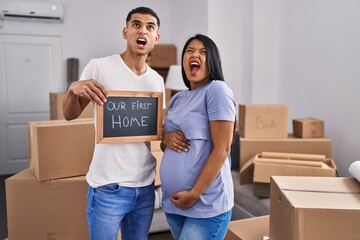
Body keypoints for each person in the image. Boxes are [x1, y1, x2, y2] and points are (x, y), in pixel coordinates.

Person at [63, 6, 165, 240]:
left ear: (156, 38)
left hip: (145, 186)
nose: (143, 31)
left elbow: (158, 128)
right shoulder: (99, 67)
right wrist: (72, 89)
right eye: (136, 24)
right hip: (108, 187)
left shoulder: (156, 81)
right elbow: (70, 114)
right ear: (125, 31)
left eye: (150, 27)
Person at [160, 34, 236, 240]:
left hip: (205, 203)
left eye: (203, 52)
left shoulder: (216, 90)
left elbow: (223, 149)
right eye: (190, 51)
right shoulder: (177, 99)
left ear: (212, 61)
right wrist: (166, 139)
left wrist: (194, 194)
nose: (195, 55)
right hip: (175, 203)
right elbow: (165, 145)